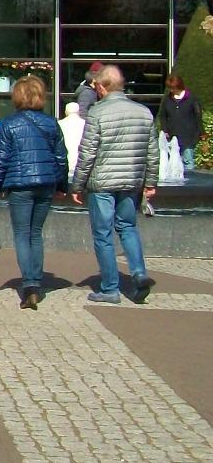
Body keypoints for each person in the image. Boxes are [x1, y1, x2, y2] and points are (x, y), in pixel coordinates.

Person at [72, 64, 156, 304]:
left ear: (101, 87)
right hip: (131, 181)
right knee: (128, 227)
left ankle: (110, 288)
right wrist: (151, 181)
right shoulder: (143, 112)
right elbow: (152, 151)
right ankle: (138, 273)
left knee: (103, 234)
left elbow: (87, 153)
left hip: (102, 182)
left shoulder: (97, 113)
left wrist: (77, 185)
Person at [0, 76, 67, 310]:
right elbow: (61, 157)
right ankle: (36, 283)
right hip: (45, 183)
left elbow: (0, 160)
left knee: (22, 234)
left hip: (20, 184)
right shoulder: (51, 123)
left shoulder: (9, 124)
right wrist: (62, 186)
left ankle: (29, 284)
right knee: (36, 233)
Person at [158, 72, 202, 179]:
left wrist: (198, 134)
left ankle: (190, 187)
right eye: (170, 88)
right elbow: (162, 115)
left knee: (188, 163)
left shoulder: (191, 99)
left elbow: (198, 117)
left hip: (188, 138)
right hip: (173, 136)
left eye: (173, 88)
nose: (171, 90)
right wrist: (164, 129)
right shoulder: (167, 100)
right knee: (173, 164)